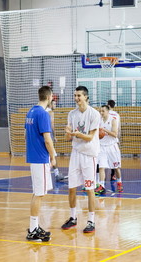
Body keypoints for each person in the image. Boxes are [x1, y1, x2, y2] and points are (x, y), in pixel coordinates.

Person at [61, 85, 100, 233]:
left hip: (89, 155)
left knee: (90, 189)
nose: (76, 98)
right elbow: (67, 138)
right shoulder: (72, 114)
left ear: (86, 97)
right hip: (76, 153)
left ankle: (91, 221)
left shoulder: (94, 114)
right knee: (71, 187)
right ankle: (73, 218)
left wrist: (76, 134)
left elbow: (90, 137)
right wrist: (68, 133)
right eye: (75, 95)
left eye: (79, 95)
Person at [25, 86, 56, 241]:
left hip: (33, 157)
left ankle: (34, 226)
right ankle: (32, 230)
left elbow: (26, 135)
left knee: (37, 193)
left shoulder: (30, 111)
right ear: (50, 97)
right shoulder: (43, 114)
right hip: (40, 158)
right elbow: (47, 139)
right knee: (39, 194)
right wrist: (53, 156)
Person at [96, 105, 123, 195]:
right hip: (102, 146)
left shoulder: (113, 120)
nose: (101, 113)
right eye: (100, 111)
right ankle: (102, 186)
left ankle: (119, 183)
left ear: (108, 111)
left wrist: (104, 130)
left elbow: (115, 134)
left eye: (103, 111)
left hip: (112, 146)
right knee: (101, 167)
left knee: (116, 167)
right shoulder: (98, 121)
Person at [46, 99, 67, 182]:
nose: (55, 105)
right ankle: (56, 174)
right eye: (54, 104)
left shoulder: (42, 110)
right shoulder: (50, 112)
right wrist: (54, 136)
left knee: (50, 156)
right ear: (50, 104)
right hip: (48, 137)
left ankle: (56, 173)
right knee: (52, 156)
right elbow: (52, 124)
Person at [107, 100, 121, 181]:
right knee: (114, 160)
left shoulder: (106, 114)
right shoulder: (117, 114)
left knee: (102, 160)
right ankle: (113, 175)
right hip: (114, 139)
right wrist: (118, 138)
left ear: (108, 105)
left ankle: (100, 179)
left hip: (105, 138)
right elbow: (118, 127)